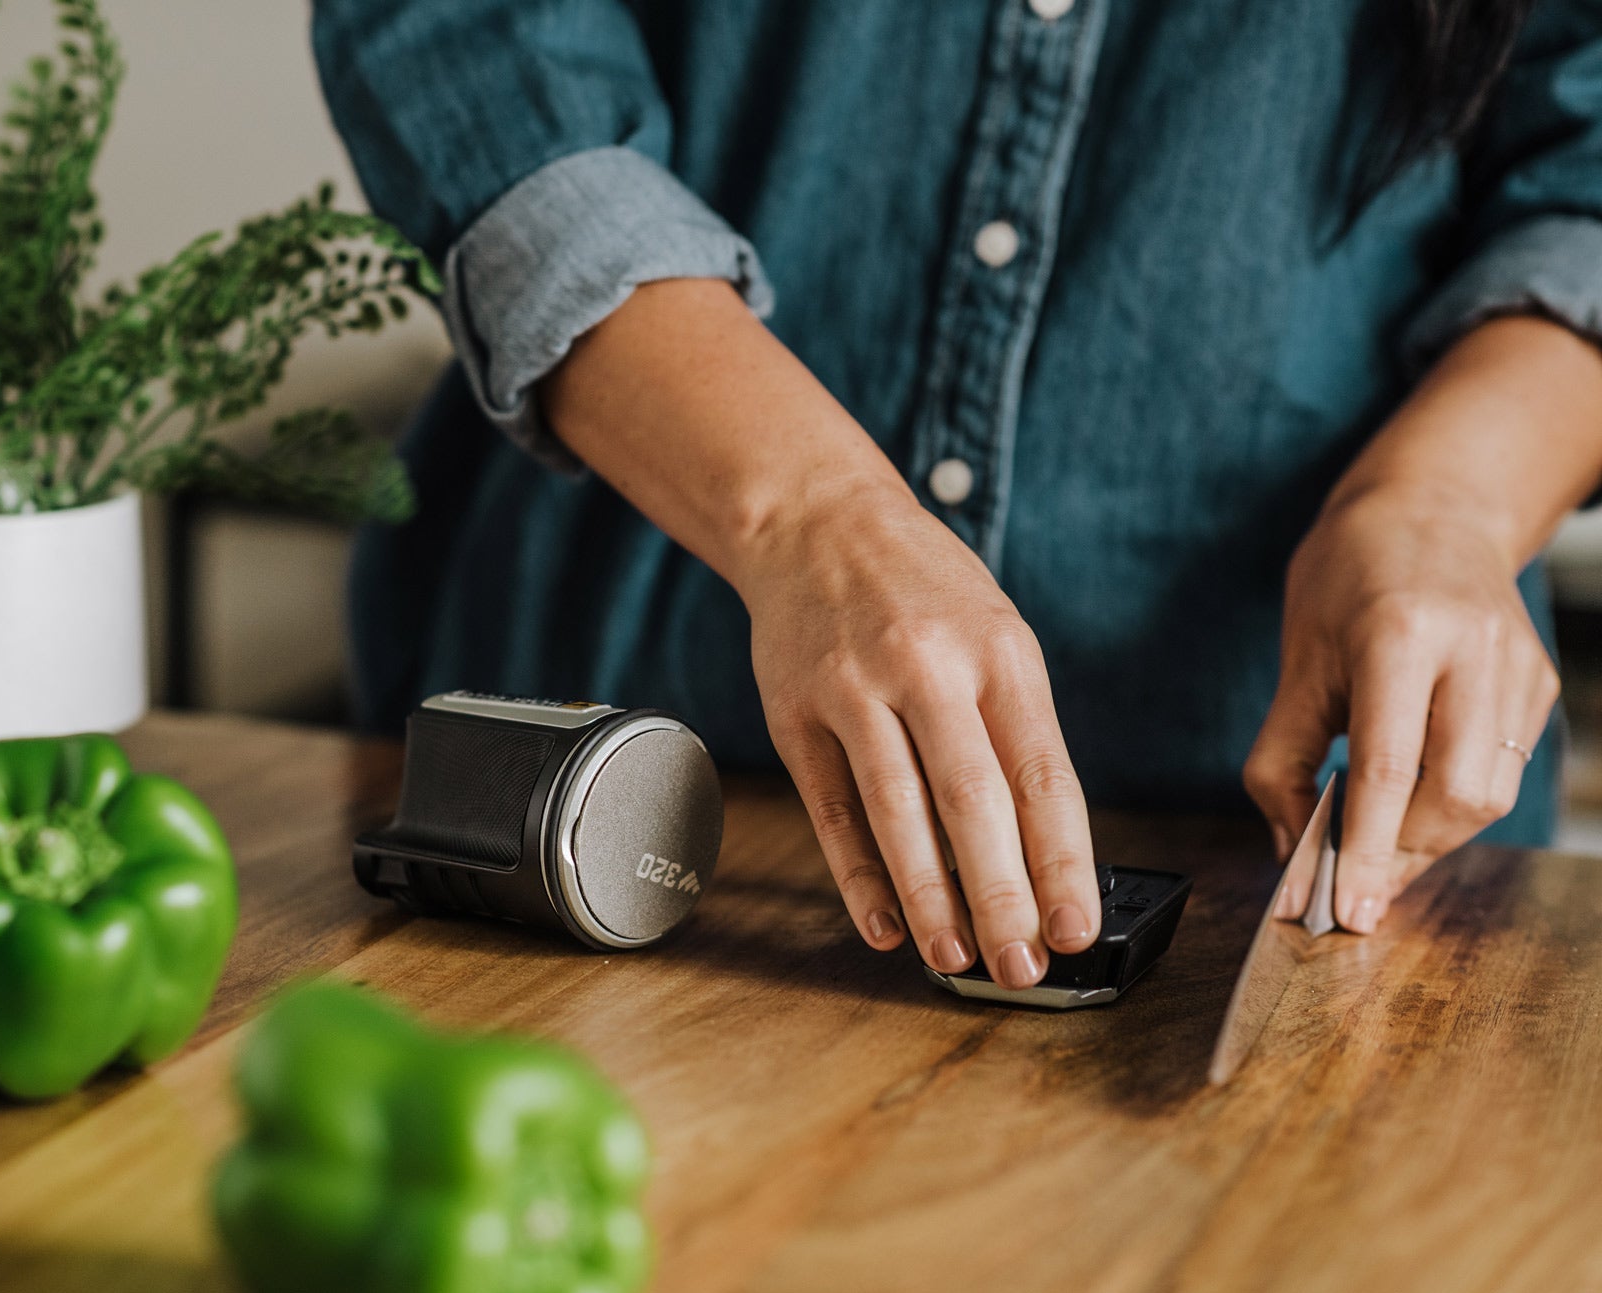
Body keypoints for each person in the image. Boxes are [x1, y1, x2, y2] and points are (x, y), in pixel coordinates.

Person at [310, 0, 1602, 989]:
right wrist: (803, 513)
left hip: (1285, 844)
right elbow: (471, 40)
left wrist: (1446, 503)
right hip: (622, 756)